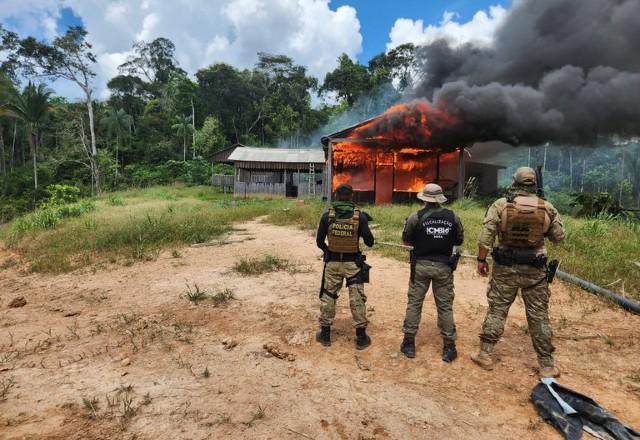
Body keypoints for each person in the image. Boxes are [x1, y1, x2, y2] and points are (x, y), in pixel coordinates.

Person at [471, 166, 566, 378]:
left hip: (505, 268)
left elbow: (486, 235)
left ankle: (485, 354)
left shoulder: (501, 205)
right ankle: (547, 365)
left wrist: (480, 260)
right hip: (535, 270)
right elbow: (559, 237)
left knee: (497, 310)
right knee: (539, 316)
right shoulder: (547, 207)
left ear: (514, 183)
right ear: (534, 184)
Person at [399, 183, 464, 362]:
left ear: (424, 199)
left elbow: (406, 240)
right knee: (444, 307)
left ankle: (409, 343)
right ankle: (449, 347)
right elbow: (459, 239)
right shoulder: (453, 217)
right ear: (440, 198)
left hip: (420, 266)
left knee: (414, 303)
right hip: (444, 267)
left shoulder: (416, 217)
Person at [315, 183, 375, 350]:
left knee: (328, 295)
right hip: (353, 265)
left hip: (333, 263)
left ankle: (325, 334)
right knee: (357, 298)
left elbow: (319, 242)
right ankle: (361, 337)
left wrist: (328, 251)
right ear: (351, 196)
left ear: (336, 196)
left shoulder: (327, 217)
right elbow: (370, 242)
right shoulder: (360, 217)